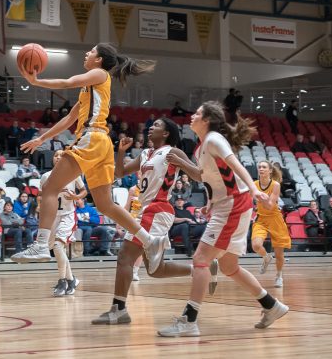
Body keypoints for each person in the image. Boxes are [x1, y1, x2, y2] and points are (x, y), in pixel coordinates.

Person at [10, 43, 169, 268]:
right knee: (105, 206)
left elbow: (67, 82)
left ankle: (41, 245)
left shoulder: (99, 74)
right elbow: (69, 119)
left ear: (99, 59)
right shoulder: (90, 88)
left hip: (91, 138)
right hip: (101, 143)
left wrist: (37, 82)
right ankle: (150, 240)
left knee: (49, 188)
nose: (87, 53)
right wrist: (41, 139)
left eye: (91, 51)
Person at [159, 101, 287, 337]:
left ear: (206, 120)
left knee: (200, 259)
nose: (192, 116)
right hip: (225, 205)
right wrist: (208, 200)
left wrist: (253, 188)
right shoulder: (201, 148)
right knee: (229, 266)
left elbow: (235, 164)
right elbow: (203, 176)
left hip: (234, 205)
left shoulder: (214, 139)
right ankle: (271, 305)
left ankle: (189, 320)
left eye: (197, 113)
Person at [94, 118, 212, 325]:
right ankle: (202, 270)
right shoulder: (145, 154)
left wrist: (182, 164)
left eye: (157, 125)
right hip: (146, 209)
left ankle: (118, 309)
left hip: (157, 208)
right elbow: (119, 173)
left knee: (125, 257)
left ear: (166, 133)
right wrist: (121, 152)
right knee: (155, 270)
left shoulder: (172, 152)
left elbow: (199, 176)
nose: (151, 127)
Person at [42, 150, 86, 296]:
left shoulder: (73, 174)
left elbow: (84, 191)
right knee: (56, 249)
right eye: (56, 155)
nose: (59, 157)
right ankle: (71, 279)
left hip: (68, 215)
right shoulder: (45, 177)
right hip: (53, 216)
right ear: (52, 159)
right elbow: (43, 197)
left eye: (62, 155)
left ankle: (63, 281)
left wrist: (76, 196)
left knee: (57, 246)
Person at [250, 160, 291, 289]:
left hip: (275, 219)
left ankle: (279, 276)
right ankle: (266, 257)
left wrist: (260, 197)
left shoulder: (275, 185)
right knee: (256, 245)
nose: (261, 169)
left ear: (270, 170)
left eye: (264, 167)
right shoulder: (254, 184)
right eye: (259, 167)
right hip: (261, 219)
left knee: (279, 254)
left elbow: (269, 206)